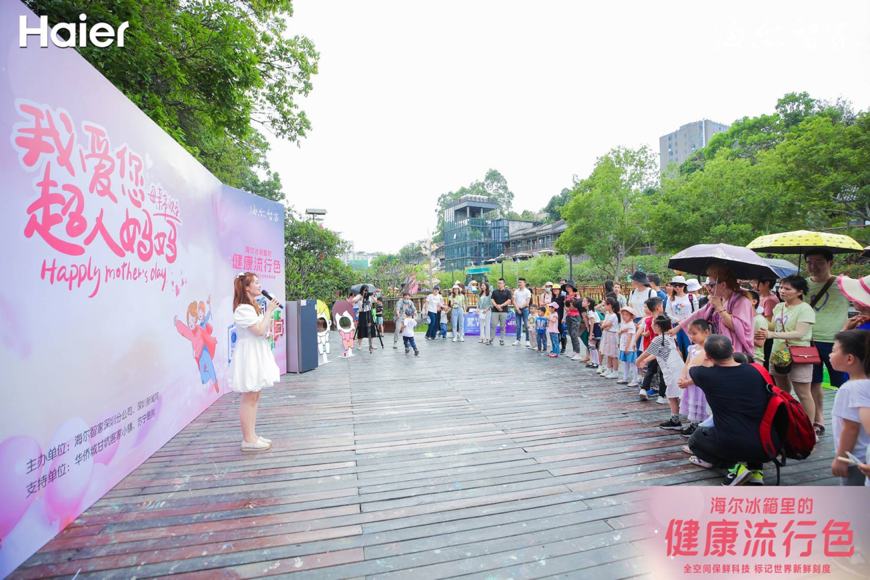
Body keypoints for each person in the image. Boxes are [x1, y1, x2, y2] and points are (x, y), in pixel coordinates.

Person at [684, 335, 774, 486]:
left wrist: (704, 351)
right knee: (751, 426)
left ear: (707, 356)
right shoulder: (757, 371)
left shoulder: (706, 375)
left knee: (695, 440)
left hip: (734, 442)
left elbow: (691, 365)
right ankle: (756, 471)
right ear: (732, 349)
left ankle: (734, 468)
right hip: (768, 441)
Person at [228, 272, 281, 452]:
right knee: (249, 396)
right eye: (256, 283)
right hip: (249, 353)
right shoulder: (243, 309)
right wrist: (270, 310)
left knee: (255, 395)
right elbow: (258, 330)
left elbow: (262, 330)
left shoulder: (252, 306)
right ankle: (247, 439)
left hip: (257, 350)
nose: (259, 286)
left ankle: (252, 435)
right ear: (246, 287)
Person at [755, 275, 816, 425]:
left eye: (787, 289)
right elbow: (773, 326)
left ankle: (809, 427)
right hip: (778, 353)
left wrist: (771, 335)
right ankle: (787, 422)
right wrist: (757, 319)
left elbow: (799, 333)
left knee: (803, 393)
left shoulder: (805, 309)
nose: (782, 291)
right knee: (781, 391)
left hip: (798, 354)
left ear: (799, 292)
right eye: (781, 287)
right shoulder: (779, 307)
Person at [804, 249, 850, 438]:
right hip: (809, 340)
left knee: (844, 383)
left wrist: (848, 330)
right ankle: (819, 420)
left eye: (819, 261)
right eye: (809, 262)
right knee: (814, 383)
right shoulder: (802, 285)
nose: (813, 266)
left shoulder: (845, 284)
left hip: (837, 341)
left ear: (831, 263)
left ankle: (849, 419)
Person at [670, 263, 755, 356]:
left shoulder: (741, 301)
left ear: (723, 285)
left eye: (711, 285)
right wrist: (677, 328)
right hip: (718, 348)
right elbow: (699, 314)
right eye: (707, 285)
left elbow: (739, 327)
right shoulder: (719, 299)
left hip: (734, 352)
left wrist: (719, 308)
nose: (708, 288)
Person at [829, 330, 870, 485]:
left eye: (833, 351)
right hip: (865, 455)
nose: (830, 355)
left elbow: (851, 427)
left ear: (850, 359)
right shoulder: (866, 384)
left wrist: (841, 458)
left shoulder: (849, 389)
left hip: (854, 460)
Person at [637, 315, 685, 430]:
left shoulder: (658, 339)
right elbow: (659, 353)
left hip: (672, 370)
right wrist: (646, 361)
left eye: (652, 324)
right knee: (674, 395)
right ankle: (675, 420)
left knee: (677, 395)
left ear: (657, 326)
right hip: (678, 368)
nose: (651, 326)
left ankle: (684, 421)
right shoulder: (669, 337)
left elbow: (647, 352)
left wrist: (638, 360)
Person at [677, 319, 713, 436]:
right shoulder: (692, 348)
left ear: (706, 332)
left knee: (702, 403)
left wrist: (688, 382)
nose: (691, 336)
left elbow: (705, 371)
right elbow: (686, 364)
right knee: (693, 402)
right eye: (689, 333)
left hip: (699, 384)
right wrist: (683, 378)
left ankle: (702, 426)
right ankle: (693, 424)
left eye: (694, 333)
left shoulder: (708, 349)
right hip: (690, 383)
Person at [639, 296, 665, 401]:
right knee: (663, 372)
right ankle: (662, 395)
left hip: (653, 346)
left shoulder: (649, 320)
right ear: (658, 307)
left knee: (651, 370)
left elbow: (648, 333)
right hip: (663, 347)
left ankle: (644, 389)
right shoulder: (663, 320)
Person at [665, 275, 697, 358]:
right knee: (678, 348)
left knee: (689, 348)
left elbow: (696, 312)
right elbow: (668, 313)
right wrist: (678, 320)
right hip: (676, 326)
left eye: (680, 285)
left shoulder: (691, 297)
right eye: (675, 285)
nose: (677, 287)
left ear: (684, 286)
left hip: (689, 326)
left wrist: (686, 320)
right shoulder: (670, 299)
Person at [628, 271, 656, 359]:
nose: (632, 282)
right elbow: (630, 306)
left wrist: (640, 321)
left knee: (645, 344)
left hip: (646, 320)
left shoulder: (651, 292)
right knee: (636, 345)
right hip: (634, 320)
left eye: (633, 280)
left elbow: (653, 309)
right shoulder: (632, 292)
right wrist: (631, 320)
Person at [617, 306, 639, 386]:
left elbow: (629, 337)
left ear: (631, 316)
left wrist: (627, 347)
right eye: (623, 315)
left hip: (629, 347)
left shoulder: (631, 325)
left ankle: (635, 380)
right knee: (626, 363)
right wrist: (623, 330)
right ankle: (625, 378)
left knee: (632, 363)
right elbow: (619, 333)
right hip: (624, 346)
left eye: (626, 315)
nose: (624, 316)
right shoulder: (624, 324)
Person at [599, 297, 621, 378]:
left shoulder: (614, 316)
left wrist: (604, 325)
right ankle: (608, 369)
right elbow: (604, 325)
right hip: (607, 334)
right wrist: (604, 325)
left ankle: (615, 371)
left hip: (612, 335)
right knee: (608, 353)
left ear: (610, 305)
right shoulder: (607, 314)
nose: (604, 306)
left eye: (605, 305)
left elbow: (606, 326)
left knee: (613, 354)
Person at [351, 288, 378, 353]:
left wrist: (372, 297)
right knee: (361, 328)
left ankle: (371, 344)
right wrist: (359, 298)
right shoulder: (359, 295)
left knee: (371, 328)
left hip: (369, 312)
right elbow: (352, 301)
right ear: (362, 290)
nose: (366, 291)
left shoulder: (369, 296)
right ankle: (360, 345)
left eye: (367, 290)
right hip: (362, 313)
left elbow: (376, 301)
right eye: (364, 290)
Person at [490, 278, 512, 345]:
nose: (499, 284)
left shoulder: (507, 292)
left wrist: (501, 305)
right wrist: (496, 306)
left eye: (500, 283)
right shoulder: (495, 291)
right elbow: (492, 299)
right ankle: (491, 339)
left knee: (502, 326)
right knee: (494, 325)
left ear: (504, 284)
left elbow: (509, 300)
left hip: (503, 311)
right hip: (495, 311)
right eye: (498, 283)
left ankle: (502, 339)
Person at [749, 291, 768, 367]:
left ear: (754, 302)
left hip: (755, 357)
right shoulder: (747, 319)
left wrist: (743, 335)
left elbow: (760, 343)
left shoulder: (759, 320)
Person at [513, 277, 532, 347]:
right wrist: (517, 308)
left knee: (527, 325)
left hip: (525, 309)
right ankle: (518, 339)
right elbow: (514, 300)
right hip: (517, 309)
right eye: (519, 282)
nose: (519, 283)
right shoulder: (516, 291)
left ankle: (527, 340)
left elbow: (528, 301)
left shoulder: (527, 291)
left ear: (524, 283)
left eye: (521, 282)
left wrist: (520, 307)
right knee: (518, 325)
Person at [583, 297, 601, 369]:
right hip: (594, 327)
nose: (582, 302)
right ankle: (593, 361)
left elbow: (592, 323)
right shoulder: (589, 311)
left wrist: (591, 334)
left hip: (595, 328)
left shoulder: (590, 312)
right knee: (591, 345)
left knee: (592, 345)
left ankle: (596, 362)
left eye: (584, 301)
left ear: (588, 303)